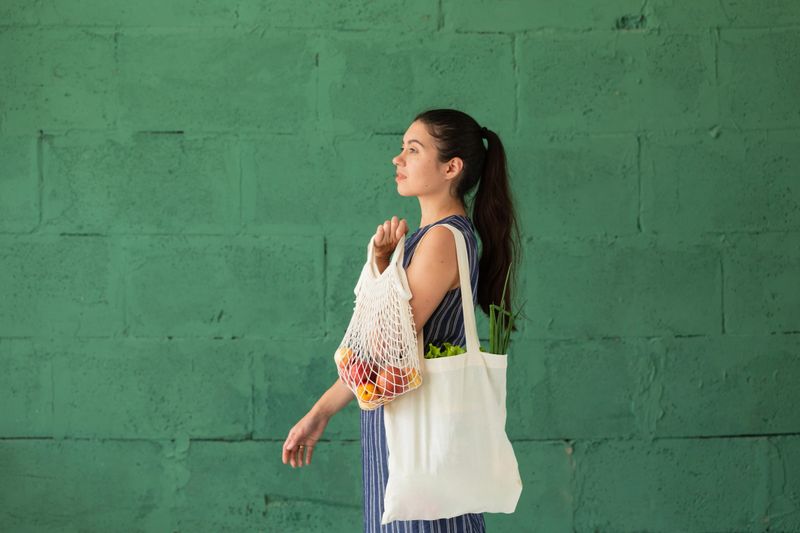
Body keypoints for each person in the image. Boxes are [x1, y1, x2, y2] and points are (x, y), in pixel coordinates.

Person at [281, 108, 522, 532]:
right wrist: (385, 266)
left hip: (416, 431)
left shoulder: (441, 239)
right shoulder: (425, 240)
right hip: (405, 431)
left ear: (451, 167)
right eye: (402, 148)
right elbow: (384, 344)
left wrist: (379, 272)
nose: (398, 159)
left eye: (413, 149)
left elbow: (383, 344)